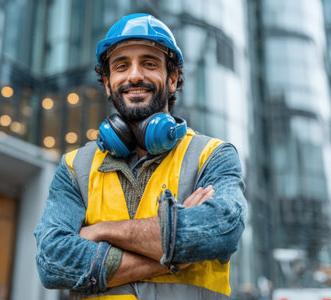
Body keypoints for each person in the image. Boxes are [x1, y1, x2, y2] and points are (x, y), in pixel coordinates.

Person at [34, 13, 247, 300]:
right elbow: (52, 261)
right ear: (108, 83)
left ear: (172, 79)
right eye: (122, 66)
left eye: (149, 63)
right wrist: (174, 254)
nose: (134, 75)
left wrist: (101, 230)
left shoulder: (212, 156)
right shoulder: (75, 167)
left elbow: (220, 231)